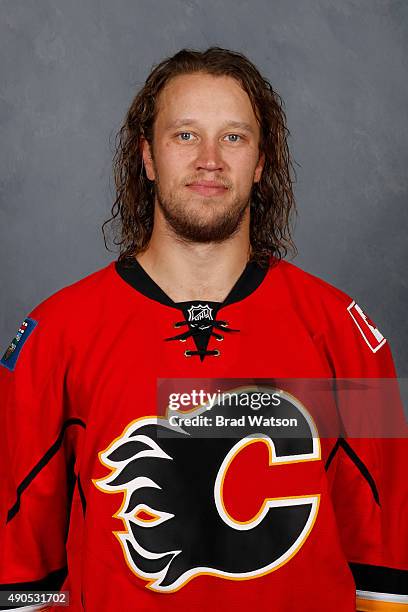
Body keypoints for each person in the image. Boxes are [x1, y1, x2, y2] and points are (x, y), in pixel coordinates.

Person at [0, 47, 407, 612]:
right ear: (147, 157)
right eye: (185, 135)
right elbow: (20, 569)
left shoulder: (345, 331)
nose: (210, 159)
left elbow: (386, 568)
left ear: (261, 161)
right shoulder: (54, 335)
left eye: (234, 137)